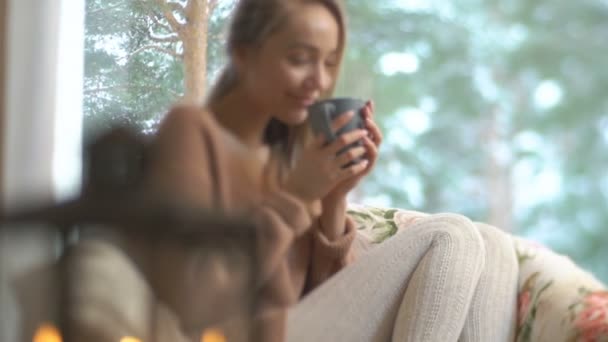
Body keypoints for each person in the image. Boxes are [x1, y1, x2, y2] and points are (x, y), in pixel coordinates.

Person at [130, 1, 521, 341]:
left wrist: (335, 197)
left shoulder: (287, 152)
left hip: (300, 327)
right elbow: (196, 299)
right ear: (244, 53)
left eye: (329, 62)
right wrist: (297, 196)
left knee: (495, 244)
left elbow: (329, 297)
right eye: (300, 58)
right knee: (451, 234)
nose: (319, 80)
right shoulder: (192, 132)